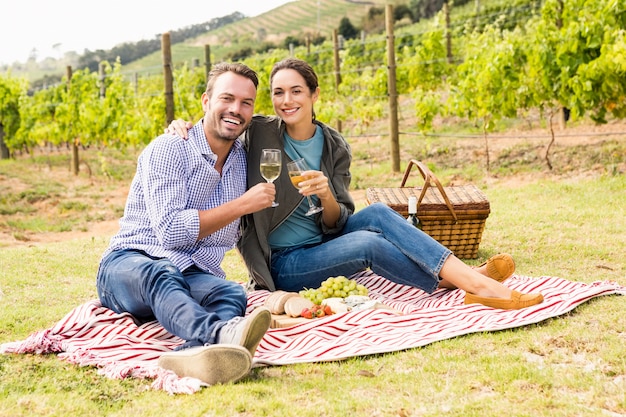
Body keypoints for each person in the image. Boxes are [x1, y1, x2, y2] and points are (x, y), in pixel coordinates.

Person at [167, 58, 543, 310]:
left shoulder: (333, 145)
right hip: (283, 263)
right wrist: (182, 125)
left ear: (314, 95)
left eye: (296, 91)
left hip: (326, 242)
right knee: (366, 244)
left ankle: (462, 279)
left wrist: (327, 193)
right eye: (278, 92)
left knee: (378, 213)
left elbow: (336, 221)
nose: (286, 100)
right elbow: (222, 118)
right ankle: (475, 284)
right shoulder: (261, 131)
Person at [96, 62, 275, 386]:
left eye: (246, 103)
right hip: (131, 263)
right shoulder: (170, 148)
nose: (236, 109)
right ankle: (220, 333)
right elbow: (172, 232)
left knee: (230, 293)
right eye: (227, 98)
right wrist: (242, 204)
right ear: (206, 101)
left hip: (189, 273)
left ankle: (193, 353)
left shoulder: (241, 158)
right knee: (161, 271)